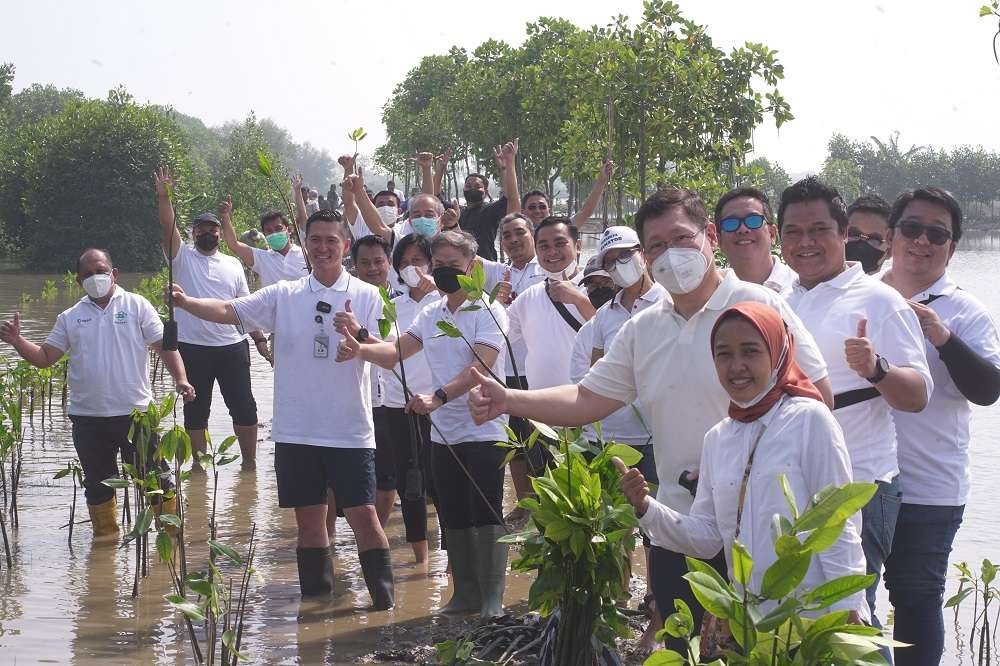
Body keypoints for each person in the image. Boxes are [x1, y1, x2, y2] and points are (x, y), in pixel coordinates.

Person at [467, 188, 831, 649]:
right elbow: (586, 398)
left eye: (681, 238)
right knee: (684, 648)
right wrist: (509, 399)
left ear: (711, 237)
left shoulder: (760, 306)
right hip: (678, 521)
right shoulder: (644, 326)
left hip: (760, 526)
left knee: (760, 650)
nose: (669, 255)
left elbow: (817, 399)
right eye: (656, 246)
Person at [164, 209, 394, 608]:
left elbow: (391, 354)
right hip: (295, 431)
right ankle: (317, 611)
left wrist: (359, 339)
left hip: (349, 431)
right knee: (308, 523)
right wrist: (187, 303)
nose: (323, 248)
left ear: (345, 246)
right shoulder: (284, 294)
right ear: (306, 243)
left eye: (331, 240)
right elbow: (230, 311)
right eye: (316, 240)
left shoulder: (369, 295)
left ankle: (385, 606)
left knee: (364, 518)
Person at [616, 302, 868, 621]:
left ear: (778, 353)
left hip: (813, 616)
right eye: (724, 354)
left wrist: (847, 607)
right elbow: (708, 537)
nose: (736, 366)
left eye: (750, 351)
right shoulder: (719, 438)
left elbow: (837, 522)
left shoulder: (809, 420)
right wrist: (646, 508)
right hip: (752, 621)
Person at [777, 176, 932, 636]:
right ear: (779, 237)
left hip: (857, 488)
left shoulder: (878, 300)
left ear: (844, 233)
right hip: (792, 488)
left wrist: (876, 369)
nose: (806, 243)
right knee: (800, 623)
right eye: (793, 232)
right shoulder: (782, 301)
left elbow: (919, 394)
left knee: (850, 625)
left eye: (819, 230)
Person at [336, 229, 510, 619]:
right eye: (440, 264)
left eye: (454, 265)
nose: (446, 271)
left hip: (484, 427)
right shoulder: (432, 313)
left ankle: (492, 598)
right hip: (444, 433)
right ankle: (464, 594)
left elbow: (480, 365)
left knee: (487, 512)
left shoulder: (489, 311)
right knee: (452, 513)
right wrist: (360, 347)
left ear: (472, 267)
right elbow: (397, 351)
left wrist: (439, 396)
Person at [0, 249, 195, 540]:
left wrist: (181, 379)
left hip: (135, 413)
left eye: (100, 270)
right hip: (88, 418)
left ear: (114, 273)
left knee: (156, 477)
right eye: (88, 274)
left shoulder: (137, 305)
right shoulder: (70, 317)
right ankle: (105, 545)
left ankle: (172, 536)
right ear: (79, 282)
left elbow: (165, 347)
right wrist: (17, 341)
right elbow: (44, 357)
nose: (95, 278)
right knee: (98, 484)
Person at [881, 187, 1000, 665]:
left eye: (938, 234)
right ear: (890, 235)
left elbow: (989, 389)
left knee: (915, 600)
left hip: (930, 487)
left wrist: (943, 336)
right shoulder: (861, 293)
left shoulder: (964, 309)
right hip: (860, 479)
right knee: (848, 603)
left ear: (952, 247)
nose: (922, 241)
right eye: (912, 229)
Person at [154, 168, 263, 471]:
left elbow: (246, 308)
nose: (208, 233)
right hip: (193, 348)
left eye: (213, 229)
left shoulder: (232, 264)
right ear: (192, 233)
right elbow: (167, 226)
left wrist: (259, 340)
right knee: (196, 411)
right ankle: (199, 468)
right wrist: (164, 197)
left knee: (245, 407)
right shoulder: (182, 257)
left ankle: (250, 464)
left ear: (219, 233)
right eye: (201, 229)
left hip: (233, 347)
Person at [381, 233, 441, 563]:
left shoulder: (448, 302)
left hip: (441, 403)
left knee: (442, 482)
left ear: (432, 263)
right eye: (403, 263)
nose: (411, 269)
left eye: (417, 261)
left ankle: (451, 555)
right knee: (409, 483)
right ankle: (421, 559)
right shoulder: (390, 304)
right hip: (398, 404)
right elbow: (382, 349)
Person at [506, 216, 597, 392]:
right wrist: (492, 304)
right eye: (544, 246)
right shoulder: (529, 297)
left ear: (578, 246)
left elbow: (615, 336)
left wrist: (579, 300)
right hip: (540, 410)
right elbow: (500, 335)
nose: (552, 252)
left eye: (560, 244)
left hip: (588, 408)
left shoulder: (599, 288)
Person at [350, 234, 400, 535]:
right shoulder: (346, 299)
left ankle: (375, 536)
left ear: (389, 263)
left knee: (388, 474)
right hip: (356, 397)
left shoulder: (406, 301)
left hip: (394, 398)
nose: (372, 268)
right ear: (354, 265)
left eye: (378, 261)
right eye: (364, 263)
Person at [714, 186, 797, 296]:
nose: (743, 229)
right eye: (731, 223)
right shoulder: (711, 296)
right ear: (719, 240)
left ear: (772, 234)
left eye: (753, 220)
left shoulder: (800, 288)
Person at [449, 140, 521, 261]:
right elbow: (435, 196)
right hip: (459, 267)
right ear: (463, 189)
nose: (472, 188)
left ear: (486, 192)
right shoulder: (457, 212)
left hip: (486, 267)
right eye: (468, 185)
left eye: (477, 186)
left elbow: (511, 197)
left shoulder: (490, 210)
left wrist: (506, 167)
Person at [218, 194, 308, 289]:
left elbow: (304, 222)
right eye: (269, 231)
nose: (274, 233)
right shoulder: (262, 258)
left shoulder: (306, 254)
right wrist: (225, 216)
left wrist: (297, 191)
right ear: (264, 235)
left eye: (278, 228)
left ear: (289, 230)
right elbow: (234, 244)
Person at [520, 159, 615, 228]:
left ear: (550, 210)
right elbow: (512, 198)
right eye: (532, 207)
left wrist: (602, 180)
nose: (537, 211)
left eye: (542, 207)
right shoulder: (519, 235)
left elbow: (586, 211)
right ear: (523, 212)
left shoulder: (561, 229)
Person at [846, 194, 892, 275]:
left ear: (889, 251)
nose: (861, 245)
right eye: (854, 234)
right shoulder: (818, 284)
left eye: (874, 239)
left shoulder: (890, 288)